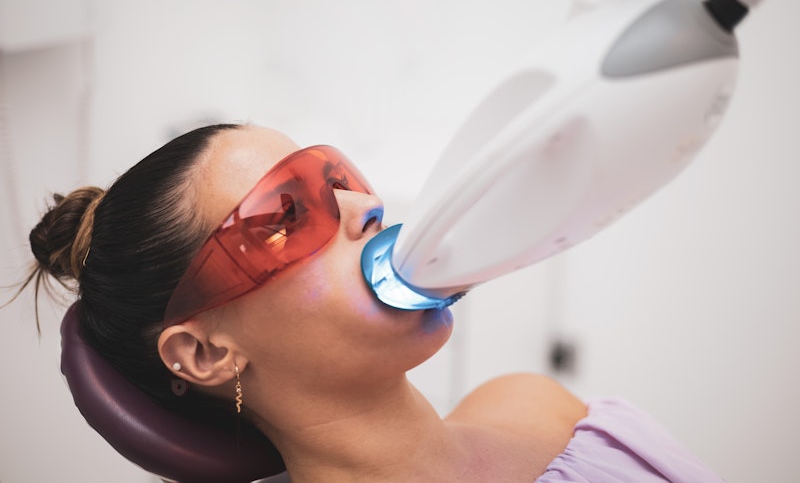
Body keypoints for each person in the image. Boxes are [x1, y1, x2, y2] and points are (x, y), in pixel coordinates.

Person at [17, 123, 724, 482]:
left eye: (338, 179)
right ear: (205, 351)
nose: (367, 205)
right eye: (287, 215)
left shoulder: (536, 404)